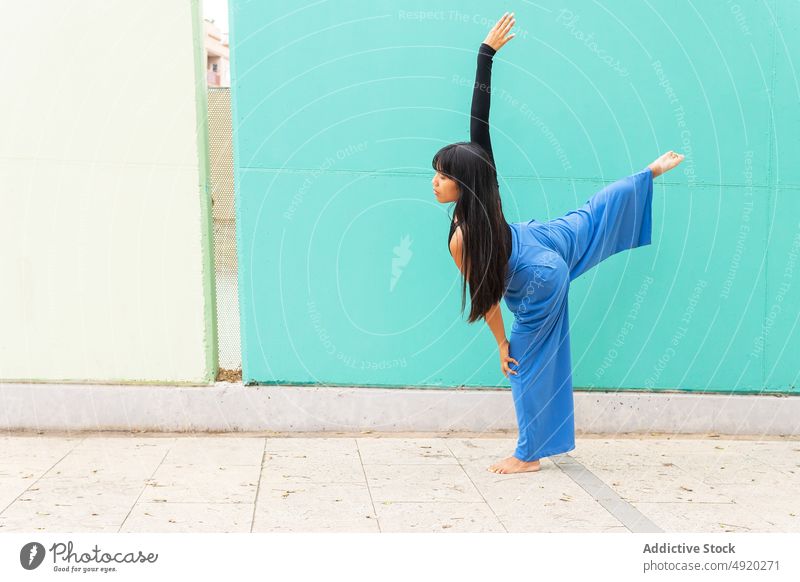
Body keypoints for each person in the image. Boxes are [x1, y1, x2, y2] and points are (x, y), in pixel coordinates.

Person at [431, 12, 685, 474]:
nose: (436, 182)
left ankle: (527, 456)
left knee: (522, 363)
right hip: (539, 239)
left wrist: (503, 343)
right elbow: (478, 125)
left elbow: (487, 295)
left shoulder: (462, 238)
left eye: (444, 175)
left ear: (464, 182)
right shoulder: (484, 180)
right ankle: (647, 174)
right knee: (589, 216)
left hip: (536, 277)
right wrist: (484, 57)